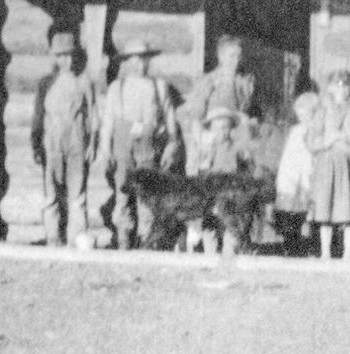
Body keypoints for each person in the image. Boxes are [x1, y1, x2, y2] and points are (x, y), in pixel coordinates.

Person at [93, 38, 182, 249]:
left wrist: (171, 145)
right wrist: (105, 150)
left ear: (148, 62)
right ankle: (123, 238)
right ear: (125, 62)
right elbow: (107, 123)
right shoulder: (117, 87)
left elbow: (170, 124)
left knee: (147, 195)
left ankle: (146, 239)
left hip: (149, 148)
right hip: (123, 148)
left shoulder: (159, 86)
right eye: (133, 60)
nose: (138, 65)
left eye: (142, 60)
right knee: (122, 193)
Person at [31, 32, 100, 247]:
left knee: (77, 192)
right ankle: (53, 237)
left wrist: (93, 142)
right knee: (51, 192)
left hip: (77, 140)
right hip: (52, 140)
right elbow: (38, 115)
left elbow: (93, 114)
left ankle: (77, 238)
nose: (66, 61)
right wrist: (36, 143)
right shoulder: (46, 83)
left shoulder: (83, 82)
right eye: (61, 56)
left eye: (70, 56)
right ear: (54, 57)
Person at [306, 70, 350, 260]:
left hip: (348, 162)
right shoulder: (323, 109)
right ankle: (325, 252)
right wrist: (327, 139)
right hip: (327, 162)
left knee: (348, 208)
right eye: (338, 85)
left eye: (346, 85)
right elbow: (312, 139)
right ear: (330, 87)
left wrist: (347, 136)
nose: (342, 89)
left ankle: (348, 252)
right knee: (325, 206)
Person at [186, 34, 256, 151]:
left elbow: (250, 112)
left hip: (236, 135)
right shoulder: (209, 81)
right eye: (231, 56)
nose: (236, 61)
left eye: (239, 56)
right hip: (213, 134)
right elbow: (196, 117)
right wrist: (202, 141)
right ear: (221, 57)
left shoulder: (244, 82)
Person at [274, 91, 320, 239]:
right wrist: (285, 177)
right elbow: (288, 158)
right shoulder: (296, 131)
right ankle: (291, 240)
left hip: (309, 173)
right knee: (291, 209)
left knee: (309, 209)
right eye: (300, 115)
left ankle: (311, 240)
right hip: (293, 175)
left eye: (306, 115)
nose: (303, 119)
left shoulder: (316, 130)